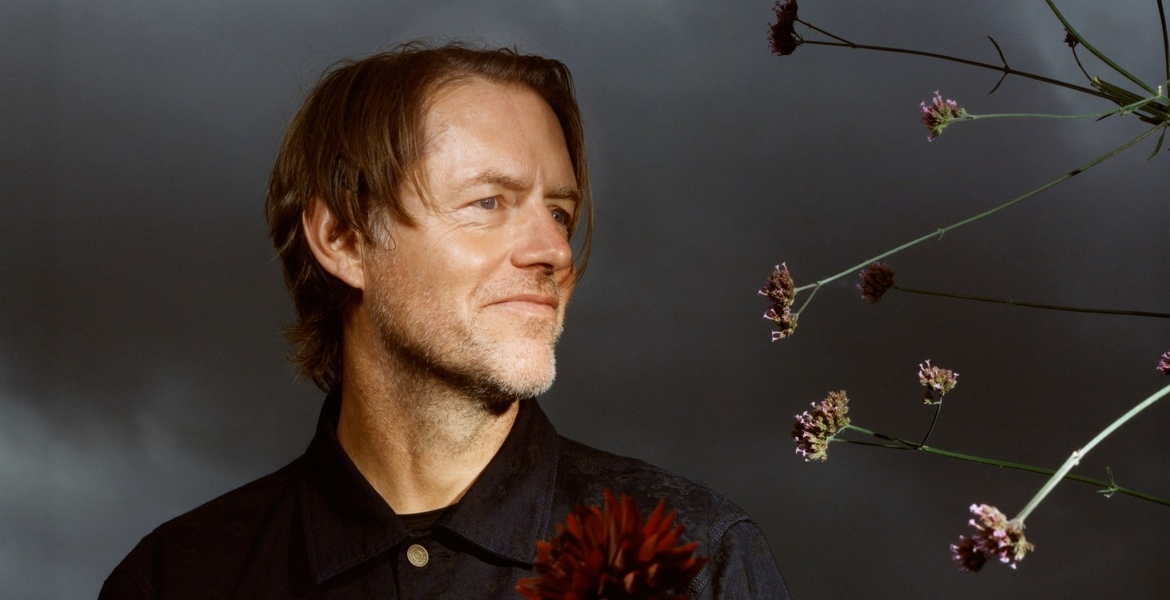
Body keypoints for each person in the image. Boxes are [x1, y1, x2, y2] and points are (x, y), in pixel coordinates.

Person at [100, 42, 789, 599]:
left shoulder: (698, 560)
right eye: (489, 203)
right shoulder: (174, 581)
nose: (554, 251)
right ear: (343, 238)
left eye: (559, 212)